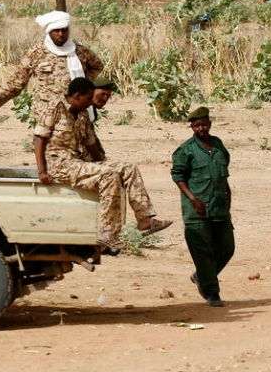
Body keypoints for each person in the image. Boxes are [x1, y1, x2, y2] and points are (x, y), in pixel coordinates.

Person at [34, 77, 172, 251]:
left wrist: (105, 164)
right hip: (60, 165)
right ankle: (107, 233)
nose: (91, 101)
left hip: (77, 162)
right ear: (77, 96)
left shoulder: (83, 113)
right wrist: (42, 171)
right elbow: (39, 138)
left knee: (128, 168)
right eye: (89, 97)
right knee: (109, 175)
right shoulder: (55, 108)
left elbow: (91, 145)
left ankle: (145, 219)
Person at [0, 10, 104, 123]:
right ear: (49, 31)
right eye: (56, 30)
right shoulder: (36, 53)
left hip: (77, 115)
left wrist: (83, 84)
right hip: (47, 117)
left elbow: (97, 66)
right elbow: (16, 83)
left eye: (64, 30)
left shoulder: (80, 52)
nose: (61, 34)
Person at [171, 107, 234, 307]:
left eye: (204, 124)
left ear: (210, 124)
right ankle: (212, 293)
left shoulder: (218, 145)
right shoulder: (186, 150)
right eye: (197, 125)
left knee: (226, 248)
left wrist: (228, 195)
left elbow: (223, 172)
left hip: (220, 207)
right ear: (191, 127)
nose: (201, 128)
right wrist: (193, 200)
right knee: (203, 251)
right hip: (197, 211)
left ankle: (202, 276)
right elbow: (178, 176)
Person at [83, 75, 117, 161]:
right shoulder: (81, 110)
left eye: (108, 96)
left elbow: (92, 137)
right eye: (103, 94)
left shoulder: (91, 110)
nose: (105, 99)